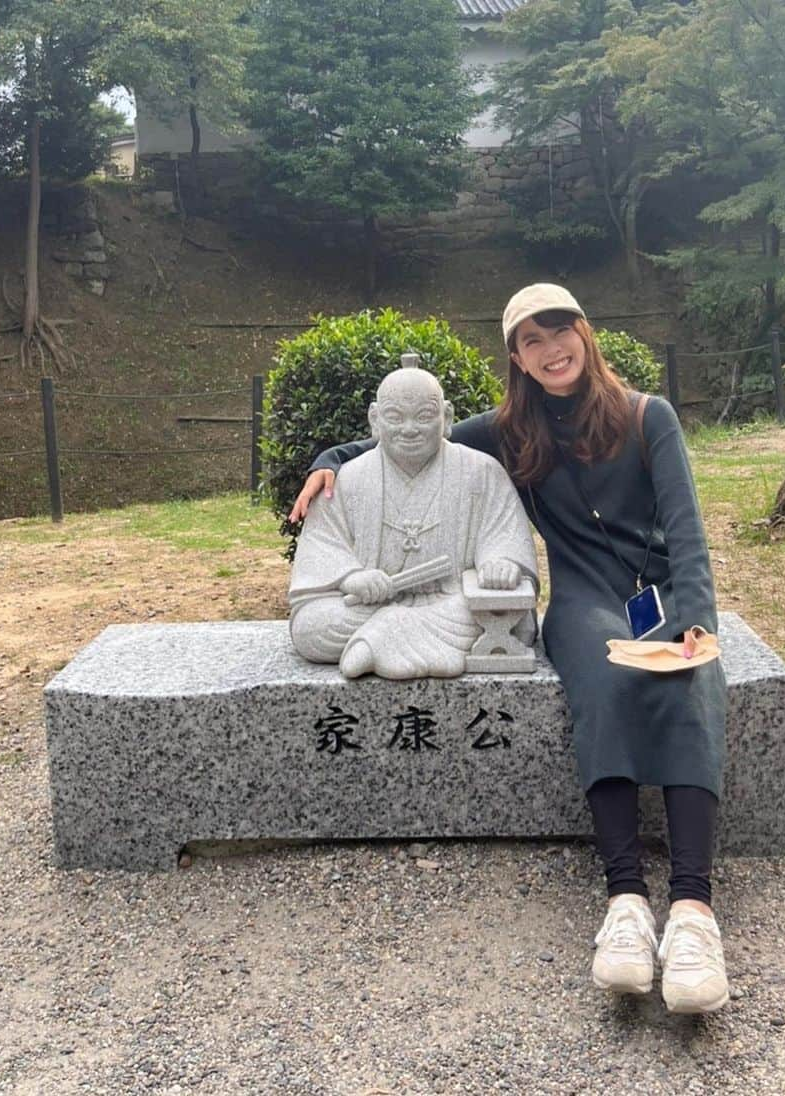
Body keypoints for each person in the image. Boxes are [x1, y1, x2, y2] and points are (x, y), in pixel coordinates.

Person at [288, 284, 730, 1014]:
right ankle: (625, 900)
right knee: (602, 679)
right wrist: (331, 458)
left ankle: (692, 909)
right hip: (584, 599)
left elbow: (687, 534)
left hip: (662, 593)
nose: (550, 349)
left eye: (560, 332)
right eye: (531, 340)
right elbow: (409, 434)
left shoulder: (650, 417)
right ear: (517, 358)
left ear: (585, 336)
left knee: (689, 681)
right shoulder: (508, 430)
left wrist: (698, 621)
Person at [289, 366, 538, 679]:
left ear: (446, 418)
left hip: (454, 602)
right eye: (395, 417)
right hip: (370, 608)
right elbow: (323, 545)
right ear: (375, 420)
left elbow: (504, 533)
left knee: (504, 617)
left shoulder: (482, 472)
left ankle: (380, 640)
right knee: (312, 628)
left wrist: (499, 561)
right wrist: (351, 577)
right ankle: (401, 638)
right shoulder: (348, 480)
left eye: (423, 416)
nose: (409, 429)